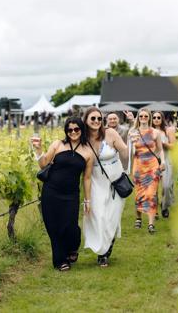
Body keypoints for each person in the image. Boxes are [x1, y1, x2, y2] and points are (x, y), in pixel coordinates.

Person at [31, 117, 94, 271]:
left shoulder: (88, 152)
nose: (73, 132)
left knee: (70, 226)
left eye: (76, 129)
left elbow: (86, 178)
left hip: (71, 194)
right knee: (53, 226)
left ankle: (72, 247)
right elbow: (43, 164)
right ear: (66, 131)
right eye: (70, 130)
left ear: (82, 130)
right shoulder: (58, 144)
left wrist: (87, 200)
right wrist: (38, 149)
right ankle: (60, 260)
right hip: (51, 191)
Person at [83, 107, 129, 267]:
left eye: (98, 118)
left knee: (112, 218)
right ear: (87, 120)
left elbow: (125, 152)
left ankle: (106, 250)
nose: (96, 121)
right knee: (99, 216)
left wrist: (126, 168)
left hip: (115, 182)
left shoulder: (110, 133)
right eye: (93, 119)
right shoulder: (82, 138)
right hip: (95, 182)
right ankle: (102, 250)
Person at [128, 108, 165, 234]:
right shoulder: (132, 132)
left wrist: (163, 162)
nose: (143, 118)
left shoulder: (155, 132)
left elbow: (160, 150)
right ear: (138, 117)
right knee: (139, 193)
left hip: (152, 166)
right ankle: (138, 218)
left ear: (149, 117)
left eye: (146, 116)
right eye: (141, 116)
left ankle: (150, 224)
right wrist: (132, 144)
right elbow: (129, 152)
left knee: (151, 194)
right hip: (138, 166)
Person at [152, 111, 176, 219]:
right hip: (152, 161)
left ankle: (164, 205)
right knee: (153, 188)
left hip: (166, 160)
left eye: (158, 117)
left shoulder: (168, 130)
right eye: (154, 117)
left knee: (166, 186)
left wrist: (162, 144)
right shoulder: (149, 131)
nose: (156, 119)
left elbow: (174, 146)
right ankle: (154, 210)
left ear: (162, 118)